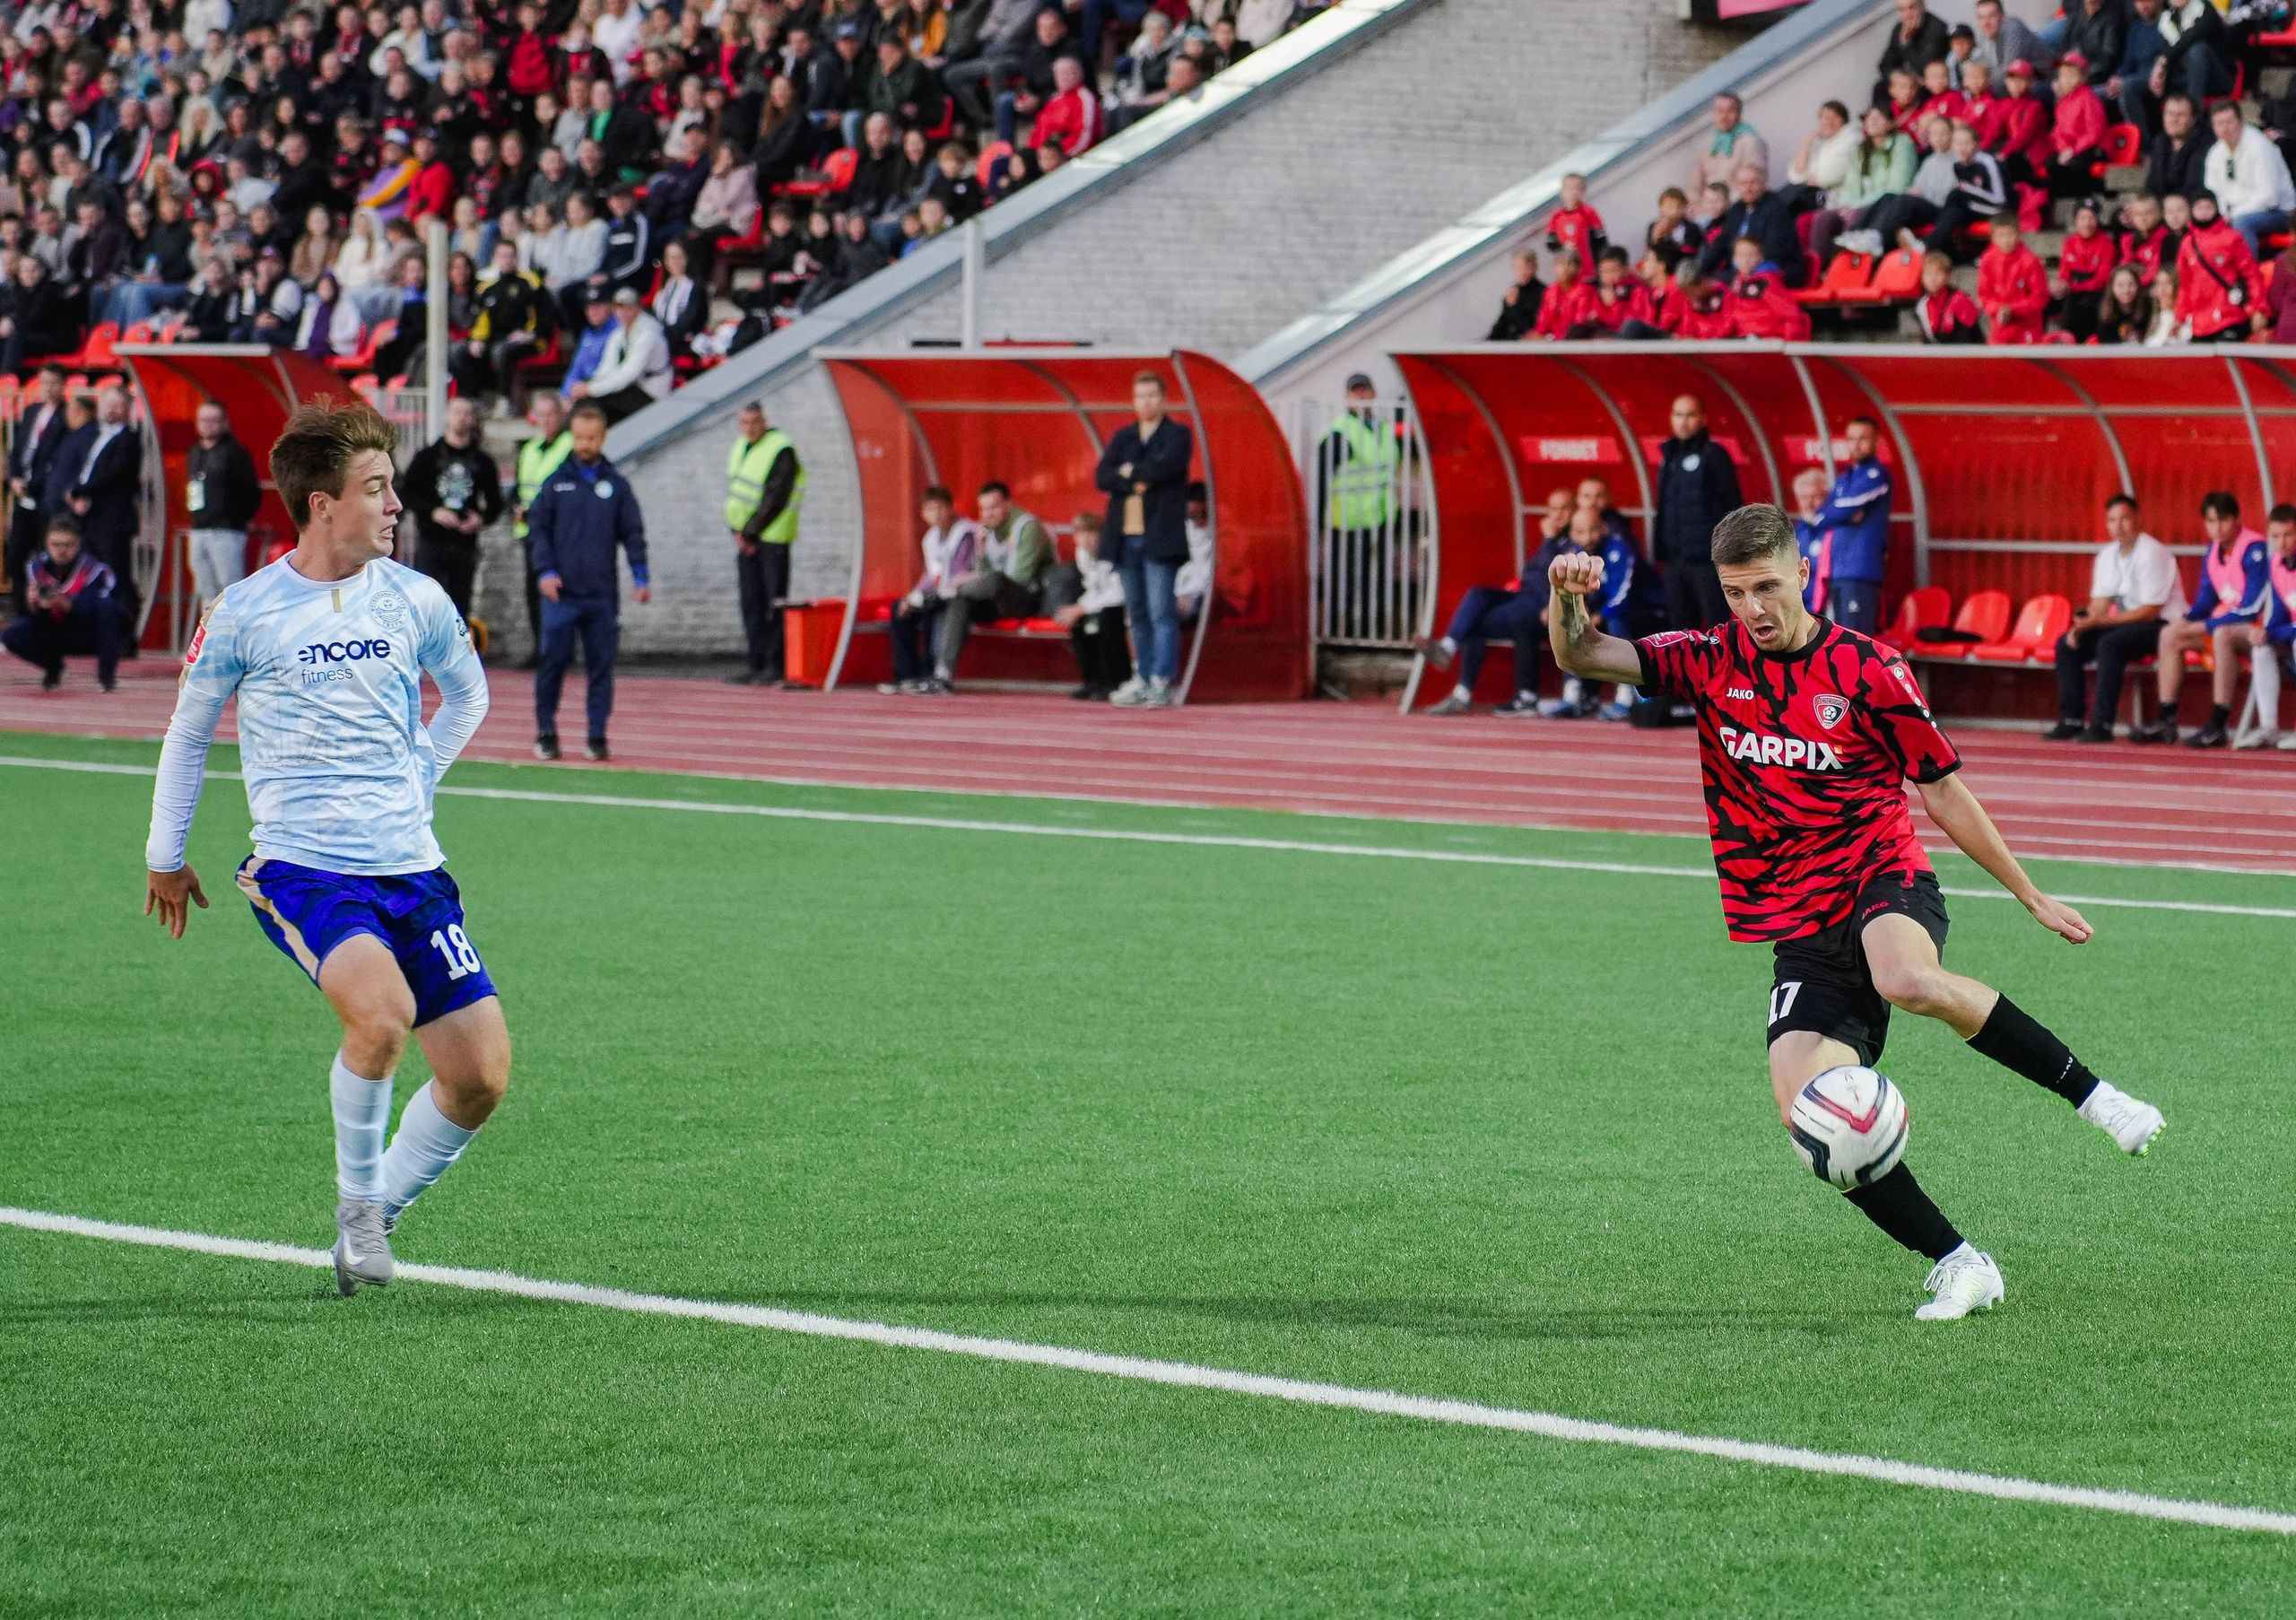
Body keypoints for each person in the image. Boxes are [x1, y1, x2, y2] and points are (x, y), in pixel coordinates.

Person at [1547, 502, 2164, 1322]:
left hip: (1882, 875)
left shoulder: (1869, 668)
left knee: (1907, 977)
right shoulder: (1708, 658)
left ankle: (2098, 1098)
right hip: (1796, 919)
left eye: (1767, 587)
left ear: (1804, 573)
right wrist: (1566, 595)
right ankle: (1961, 1263)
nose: (1753, 609)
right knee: (1809, 1121)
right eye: (1735, 593)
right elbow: (1582, 652)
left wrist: (2030, 893)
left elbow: (1942, 791)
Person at [143, 398, 504, 1297]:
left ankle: (376, 1214)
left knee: (480, 1079)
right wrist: (165, 853)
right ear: (321, 504)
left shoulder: (416, 597)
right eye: (376, 488)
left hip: (413, 872)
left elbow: (468, 696)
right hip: (305, 869)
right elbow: (189, 732)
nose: (395, 505)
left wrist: (422, 774)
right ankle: (358, 1208)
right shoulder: (245, 610)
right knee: (380, 1019)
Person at [527, 401, 648, 761]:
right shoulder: (555, 483)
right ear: (572, 437)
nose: (585, 444)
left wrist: (641, 575)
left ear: (603, 438)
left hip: (601, 596)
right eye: (579, 437)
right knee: (552, 665)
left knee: (601, 669)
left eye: (591, 438)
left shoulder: (617, 486)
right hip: (561, 595)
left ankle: (597, 735)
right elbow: (538, 531)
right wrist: (545, 571)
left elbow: (633, 534)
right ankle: (546, 731)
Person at [1417, 488, 1573, 718]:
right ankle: (1448, 647)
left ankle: (1463, 692)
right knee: (1477, 595)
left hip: (1541, 605)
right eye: (1553, 509)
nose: (1557, 515)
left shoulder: (1572, 540)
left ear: (1574, 511)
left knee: (1476, 623)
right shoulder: (1552, 540)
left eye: (1564, 509)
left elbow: (1550, 581)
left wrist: (1549, 540)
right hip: (1524, 597)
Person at [2048, 492, 2185, 742]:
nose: (2118, 526)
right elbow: (2100, 605)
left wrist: (2099, 622)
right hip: (2124, 625)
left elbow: (2149, 611)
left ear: (2138, 520)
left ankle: (2102, 724)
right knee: (2066, 644)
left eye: (2124, 519)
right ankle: (2071, 719)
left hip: (2161, 626)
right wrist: (2082, 626)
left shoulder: (2152, 552)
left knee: (2110, 644)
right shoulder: (2106, 556)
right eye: (2112, 520)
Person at [1096, 370, 1195, 709]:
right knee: (1136, 613)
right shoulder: (1124, 436)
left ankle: (1162, 680)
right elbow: (1102, 476)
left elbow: (1164, 468)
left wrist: (1130, 472)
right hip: (1125, 537)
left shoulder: (1178, 435)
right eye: (1141, 396)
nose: (1147, 402)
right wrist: (1136, 477)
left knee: (1161, 611)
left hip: (1160, 538)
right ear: (1133, 400)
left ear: (1164, 400)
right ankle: (1143, 675)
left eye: (1153, 395)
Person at [2140, 491, 2268, 746]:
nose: (2217, 528)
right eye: (2211, 521)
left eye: (2223, 520)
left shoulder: (2255, 549)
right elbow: (2206, 601)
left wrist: (2205, 625)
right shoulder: (2212, 551)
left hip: (2257, 629)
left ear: (2237, 519)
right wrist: (2186, 620)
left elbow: (2253, 608)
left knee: (2221, 635)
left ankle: (2218, 725)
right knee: (2170, 634)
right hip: (2223, 625)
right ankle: (2166, 719)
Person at [935, 479, 1053, 685]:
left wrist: (982, 580)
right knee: (960, 601)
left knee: (993, 581)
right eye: (984, 509)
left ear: (1009, 504)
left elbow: (1019, 578)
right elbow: (982, 575)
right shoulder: (987, 531)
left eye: (994, 507)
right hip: (998, 597)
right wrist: (981, 553)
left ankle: (939, 594)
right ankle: (942, 674)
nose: (988, 514)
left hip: (1028, 598)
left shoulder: (1027, 526)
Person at [399, 396, 505, 622]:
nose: (462, 418)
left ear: (473, 419)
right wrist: (433, 512)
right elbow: (407, 494)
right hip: (431, 541)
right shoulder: (427, 457)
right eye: (457, 412)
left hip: (464, 545)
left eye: (467, 413)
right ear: (447, 416)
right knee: (428, 606)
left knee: (459, 609)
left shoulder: (483, 462)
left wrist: (481, 519)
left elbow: (496, 504)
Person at [725, 402, 805, 688]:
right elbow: (736, 494)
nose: (750, 428)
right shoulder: (740, 447)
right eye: (744, 423)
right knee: (751, 603)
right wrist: (738, 531)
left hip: (772, 539)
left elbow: (777, 496)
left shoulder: (781, 448)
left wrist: (750, 533)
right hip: (745, 538)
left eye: (754, 422)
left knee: (774, 603)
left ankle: (775, 663)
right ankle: (756, 662)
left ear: (764, 421)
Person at [1314, 372, 1398, 640]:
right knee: (1345, 580)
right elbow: (1321, 478)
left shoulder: (1384, 430)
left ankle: (1374, 633)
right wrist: (1318, 523)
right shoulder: (1340, 433)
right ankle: (1341, 634)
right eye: (1355, 392)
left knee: (1379, 579)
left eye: (1365, 390)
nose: (1360, 396)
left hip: (1381, 517)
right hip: (1348, 521)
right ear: (1347, 397)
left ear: (1373, 394)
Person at [1651, 393, 1743, 632]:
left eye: (1690, 415)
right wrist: (1661, 550)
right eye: (1678, 415)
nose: (1683, 421)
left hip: (1707, 562)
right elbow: (1664, 508)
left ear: (1703, 419)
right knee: (1680, 631)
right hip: (1675, 562)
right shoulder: (1668, 458)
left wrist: (1728, 555)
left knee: (1717, 629)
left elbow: (1732, 507)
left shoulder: (1714, 454)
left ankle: (1721, 660)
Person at [883, 484, 984, 695]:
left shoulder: (965, 533)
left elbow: (960, 572)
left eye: (940, 508)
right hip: (939, 592)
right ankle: (906, 675)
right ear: (923, 514)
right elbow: (930, 575)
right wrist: (911, 597)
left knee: (930, 605)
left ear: (950, 508)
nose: (936, 514)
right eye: (930, 510)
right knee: (900, 609)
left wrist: (925, 596)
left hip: (961, 594)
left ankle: (929, 672)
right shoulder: (930, 538)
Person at [4, 518, 122, 691]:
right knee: (11, 635)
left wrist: (68, 604)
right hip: (53, 628)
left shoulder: (94, 569)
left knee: (107, 606)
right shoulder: (37, 568)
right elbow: (32, 614)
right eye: (56, 544)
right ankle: (53, 666)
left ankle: (106, 675)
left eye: (68, 545)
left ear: (78, 543)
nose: (61, 550)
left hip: (85, 632)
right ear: (47, 543)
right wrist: (33, 605)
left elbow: (99, 607)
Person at [67, 386, 144, 631]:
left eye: (117, 405)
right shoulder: (95, 435)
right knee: (91, 574)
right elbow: (84, 468)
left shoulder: (129, 438)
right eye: (108, 404)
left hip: (113, 520)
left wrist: (81, 491)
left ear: (127, 409)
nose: (112, 409)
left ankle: (127, 631)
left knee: (116, 573)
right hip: (90, 517)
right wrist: (77, 494)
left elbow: (115, 475)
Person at [1811, 418, 1893, 631]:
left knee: (1856, 640)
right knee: (1839, 638)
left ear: (1876, 441)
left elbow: (1847, 505)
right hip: (1837, 570)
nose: (1856, 445)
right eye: (1851, 439)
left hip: (1860, 569)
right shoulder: (1844, 478)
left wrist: (1836, 512)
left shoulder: (1877, 474)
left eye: (1863, 439)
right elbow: (1823, 513)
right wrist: (1841, 513)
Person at [510, 393, 574, 669]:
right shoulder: (530, 448)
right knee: (533, 592)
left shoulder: (570, 447)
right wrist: (514, 506)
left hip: (558, 535)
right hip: (530, 533)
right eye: (541, 415)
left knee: (558, 591)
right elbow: (519, 488)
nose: (546, 421)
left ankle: (560, 651)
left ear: (561, 416)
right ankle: (541, 648)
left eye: (551, 414)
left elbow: (568, 493)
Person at [183, 400, 263, 613]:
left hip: (226, 529)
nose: (208, 425)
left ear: (225, 423)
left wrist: (239, 518)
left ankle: (235, 631)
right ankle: (210, 630)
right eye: (203, 420)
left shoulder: (236, 453)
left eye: (214, 420)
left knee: (230, 589)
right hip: (199, 527)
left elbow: (251, 491)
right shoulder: (194, 452)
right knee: (205, 589)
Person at [4, 365, 72, 614]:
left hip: (46, 498)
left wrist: (34, 485)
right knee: (16, 556)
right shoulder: (31, 411)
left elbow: (59, 460)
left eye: (54, 382)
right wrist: (14, 478)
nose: (48, 388)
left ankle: (46, 613)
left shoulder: (67, 417)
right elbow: (18, 450)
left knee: (46, 558)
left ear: (63, 385)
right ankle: (21, 612)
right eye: (44, 382)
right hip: (23, 497)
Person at [2204, 99, 2296, 257]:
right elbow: (2214, 190)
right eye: (2219, 124)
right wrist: (2223, 214)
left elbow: (2270, 197)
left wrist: (2234, 214)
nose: (2225, 128)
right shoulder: (2215, 152)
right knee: (2204, 221)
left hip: (2280, 212)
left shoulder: (2259, 147)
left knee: (2242, 222)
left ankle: (2247, 270)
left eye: (2229, 122)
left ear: (2240, 122)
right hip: (2236, 211)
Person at [1056, 510, 1131, 701]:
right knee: (1079, 623)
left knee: (1109, 618)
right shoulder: (1082, 554)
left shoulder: (1115, 552)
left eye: (1091, 533)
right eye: (1080, 533)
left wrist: (1082, 608)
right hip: (1102, 602)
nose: (1086, 539)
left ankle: (1117, 680)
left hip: (1125, 604)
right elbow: (1093, 588)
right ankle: (1093, 681)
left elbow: (1118, 593)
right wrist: (1077, 609)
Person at [2176, 191, 2267, 343]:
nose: (2204, 213)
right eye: (2199, 208)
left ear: (2216, 209)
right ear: (2192, 211)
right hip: (2200, 321)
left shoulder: (2232, 238)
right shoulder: (2187, 243)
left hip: (2229, 315)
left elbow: (2251, 274)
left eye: (2208, 207)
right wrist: (2180, 317)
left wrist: (2259, 308)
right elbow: (2185, 284)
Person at [571, 286, 671, 423]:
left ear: (638, 308)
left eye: (628, 308)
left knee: (596, 400)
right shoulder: (620, 333)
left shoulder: (648, 334)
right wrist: (587, 386)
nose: (623, 313)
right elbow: (606, 368)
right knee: (587, 401)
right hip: (633, 386)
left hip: (651, 392)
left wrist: (590, 389)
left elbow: (627, 376)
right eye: (619, 308)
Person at [1975, 213, 2048, 342]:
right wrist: (1998, 309)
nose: (2006, 240)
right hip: (2000, 328)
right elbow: (1984, 295)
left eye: (2010, 234)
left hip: (2027, 328)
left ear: (2019, 234)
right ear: (1992, 237)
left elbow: (2040, 298)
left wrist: (2013, 309)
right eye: (2000, 235)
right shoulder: (1987, 261)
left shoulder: (2030, 261)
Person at [1913, 248, 1985, 341]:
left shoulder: (1960, 300)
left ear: (1948, 277)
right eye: (1928, 274)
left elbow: (1969, 334)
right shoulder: (1922, 305)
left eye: (1938, 274)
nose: (1933, 279)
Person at [1789, 468, 1831, 614]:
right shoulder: (1797, 531)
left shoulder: (1831, 531)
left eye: (1815, 497)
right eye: (1804, 498)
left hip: (1824, 608)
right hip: (1797, 607)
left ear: (1827, 498)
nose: (1809, 503)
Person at [1487, 247, 1545, 341]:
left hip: (1529, 343)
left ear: (1535, 267)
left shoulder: (1544, 292)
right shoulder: (1513, 291)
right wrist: (1487, 343)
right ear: (1512, 268)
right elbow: (1503, 322)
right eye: (1518, 268)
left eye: (1527, 267)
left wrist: (1513, 306)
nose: (1522, 272)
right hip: (1510, 341)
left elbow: (1529, 330)